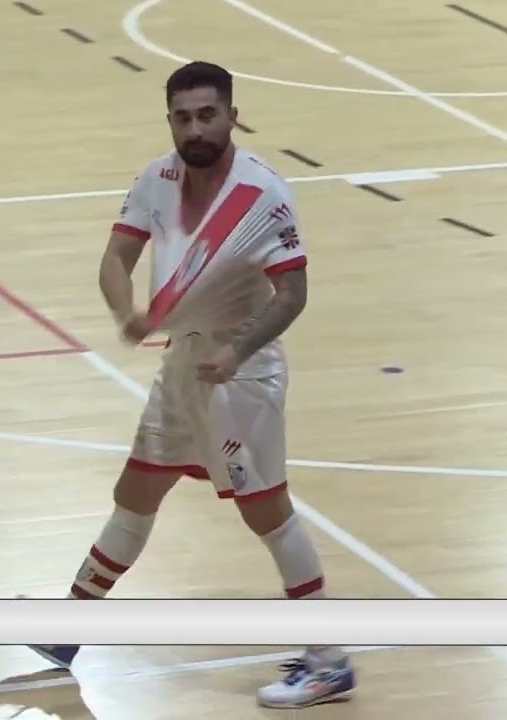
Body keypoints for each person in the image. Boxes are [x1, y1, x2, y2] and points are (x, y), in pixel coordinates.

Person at [26, 61, 357, 708]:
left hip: (242, 376)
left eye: (207, 115)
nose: (195, 129)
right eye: (183, 117)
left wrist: (239, 349)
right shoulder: (156, 179)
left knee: (267, 513)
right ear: (170, 120)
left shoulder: (264, 194)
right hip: (183, 364)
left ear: (232, 115)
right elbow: (115, 258)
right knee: (136, 490)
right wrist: (125, 311)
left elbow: (293, 295)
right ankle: (69, 627)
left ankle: (329, 662)